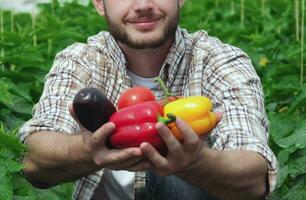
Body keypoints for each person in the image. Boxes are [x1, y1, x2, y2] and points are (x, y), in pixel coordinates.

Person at [19, 0, 278, 199]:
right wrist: (86, 151)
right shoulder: (81, 61)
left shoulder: (220, 61)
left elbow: (256, 176)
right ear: (99, 3)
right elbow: (33, 158)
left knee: (174, 181)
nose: (143, 5)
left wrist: (196, 163)